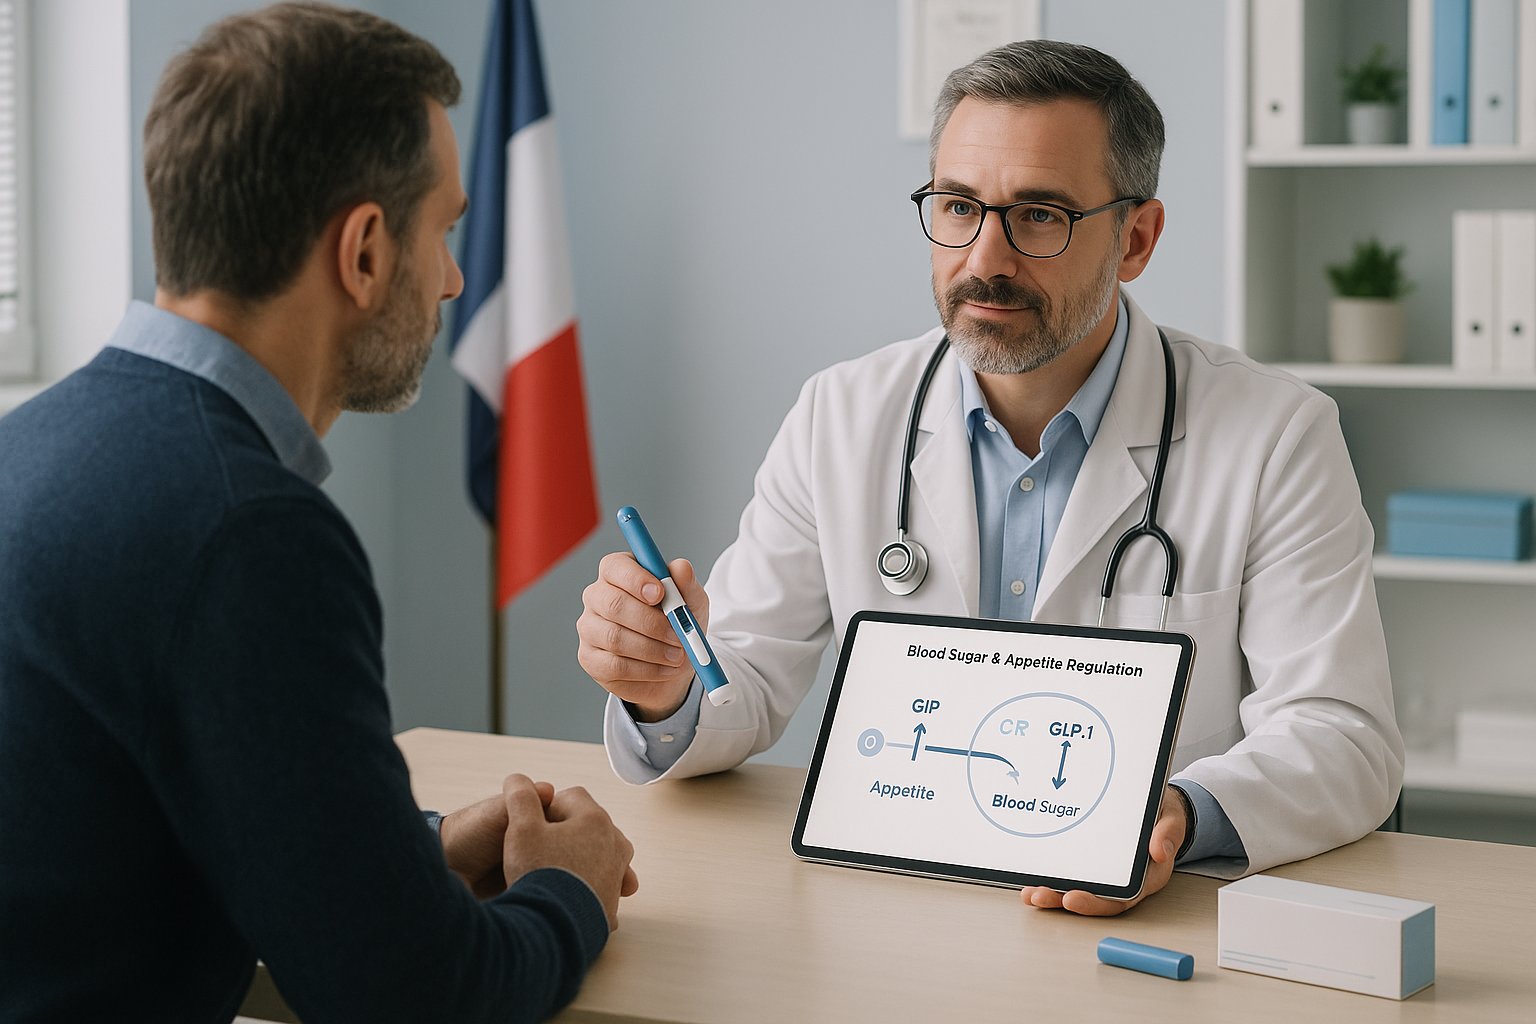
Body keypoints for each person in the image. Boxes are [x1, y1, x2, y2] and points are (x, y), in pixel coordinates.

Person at [577, 39, 1403, 916]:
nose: (986, 257)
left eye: (1040, 215)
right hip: (891, 914)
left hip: (1141, 927)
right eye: (959, 206)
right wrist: (665, 686)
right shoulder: (842, 415)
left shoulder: (1276, 433)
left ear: (1137, 238)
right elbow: (740, 675)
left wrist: (1176, 813)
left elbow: (1343, 734)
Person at [0, 4, 635, 1021]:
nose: (458, 283)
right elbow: (419, 999)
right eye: (447, 233)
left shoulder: (31, 449)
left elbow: (139, 829)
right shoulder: (247, 530)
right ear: (367, 252)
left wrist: (408, 848)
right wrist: (574, 887)